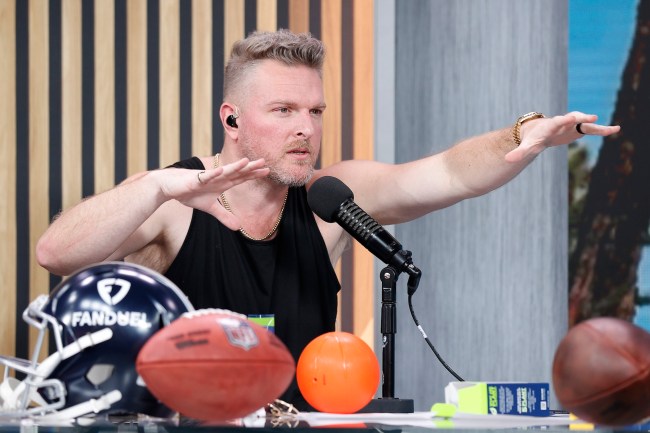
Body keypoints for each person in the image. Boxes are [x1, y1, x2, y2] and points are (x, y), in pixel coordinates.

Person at [36, 29, 620, 411]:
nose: (306, 129)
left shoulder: (329, 199)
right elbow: (56, 252)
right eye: (284, 110)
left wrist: (522, 136)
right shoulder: (172, 202)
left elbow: (446, 174)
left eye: (314, 110)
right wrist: (157, 184)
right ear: (231, 119)